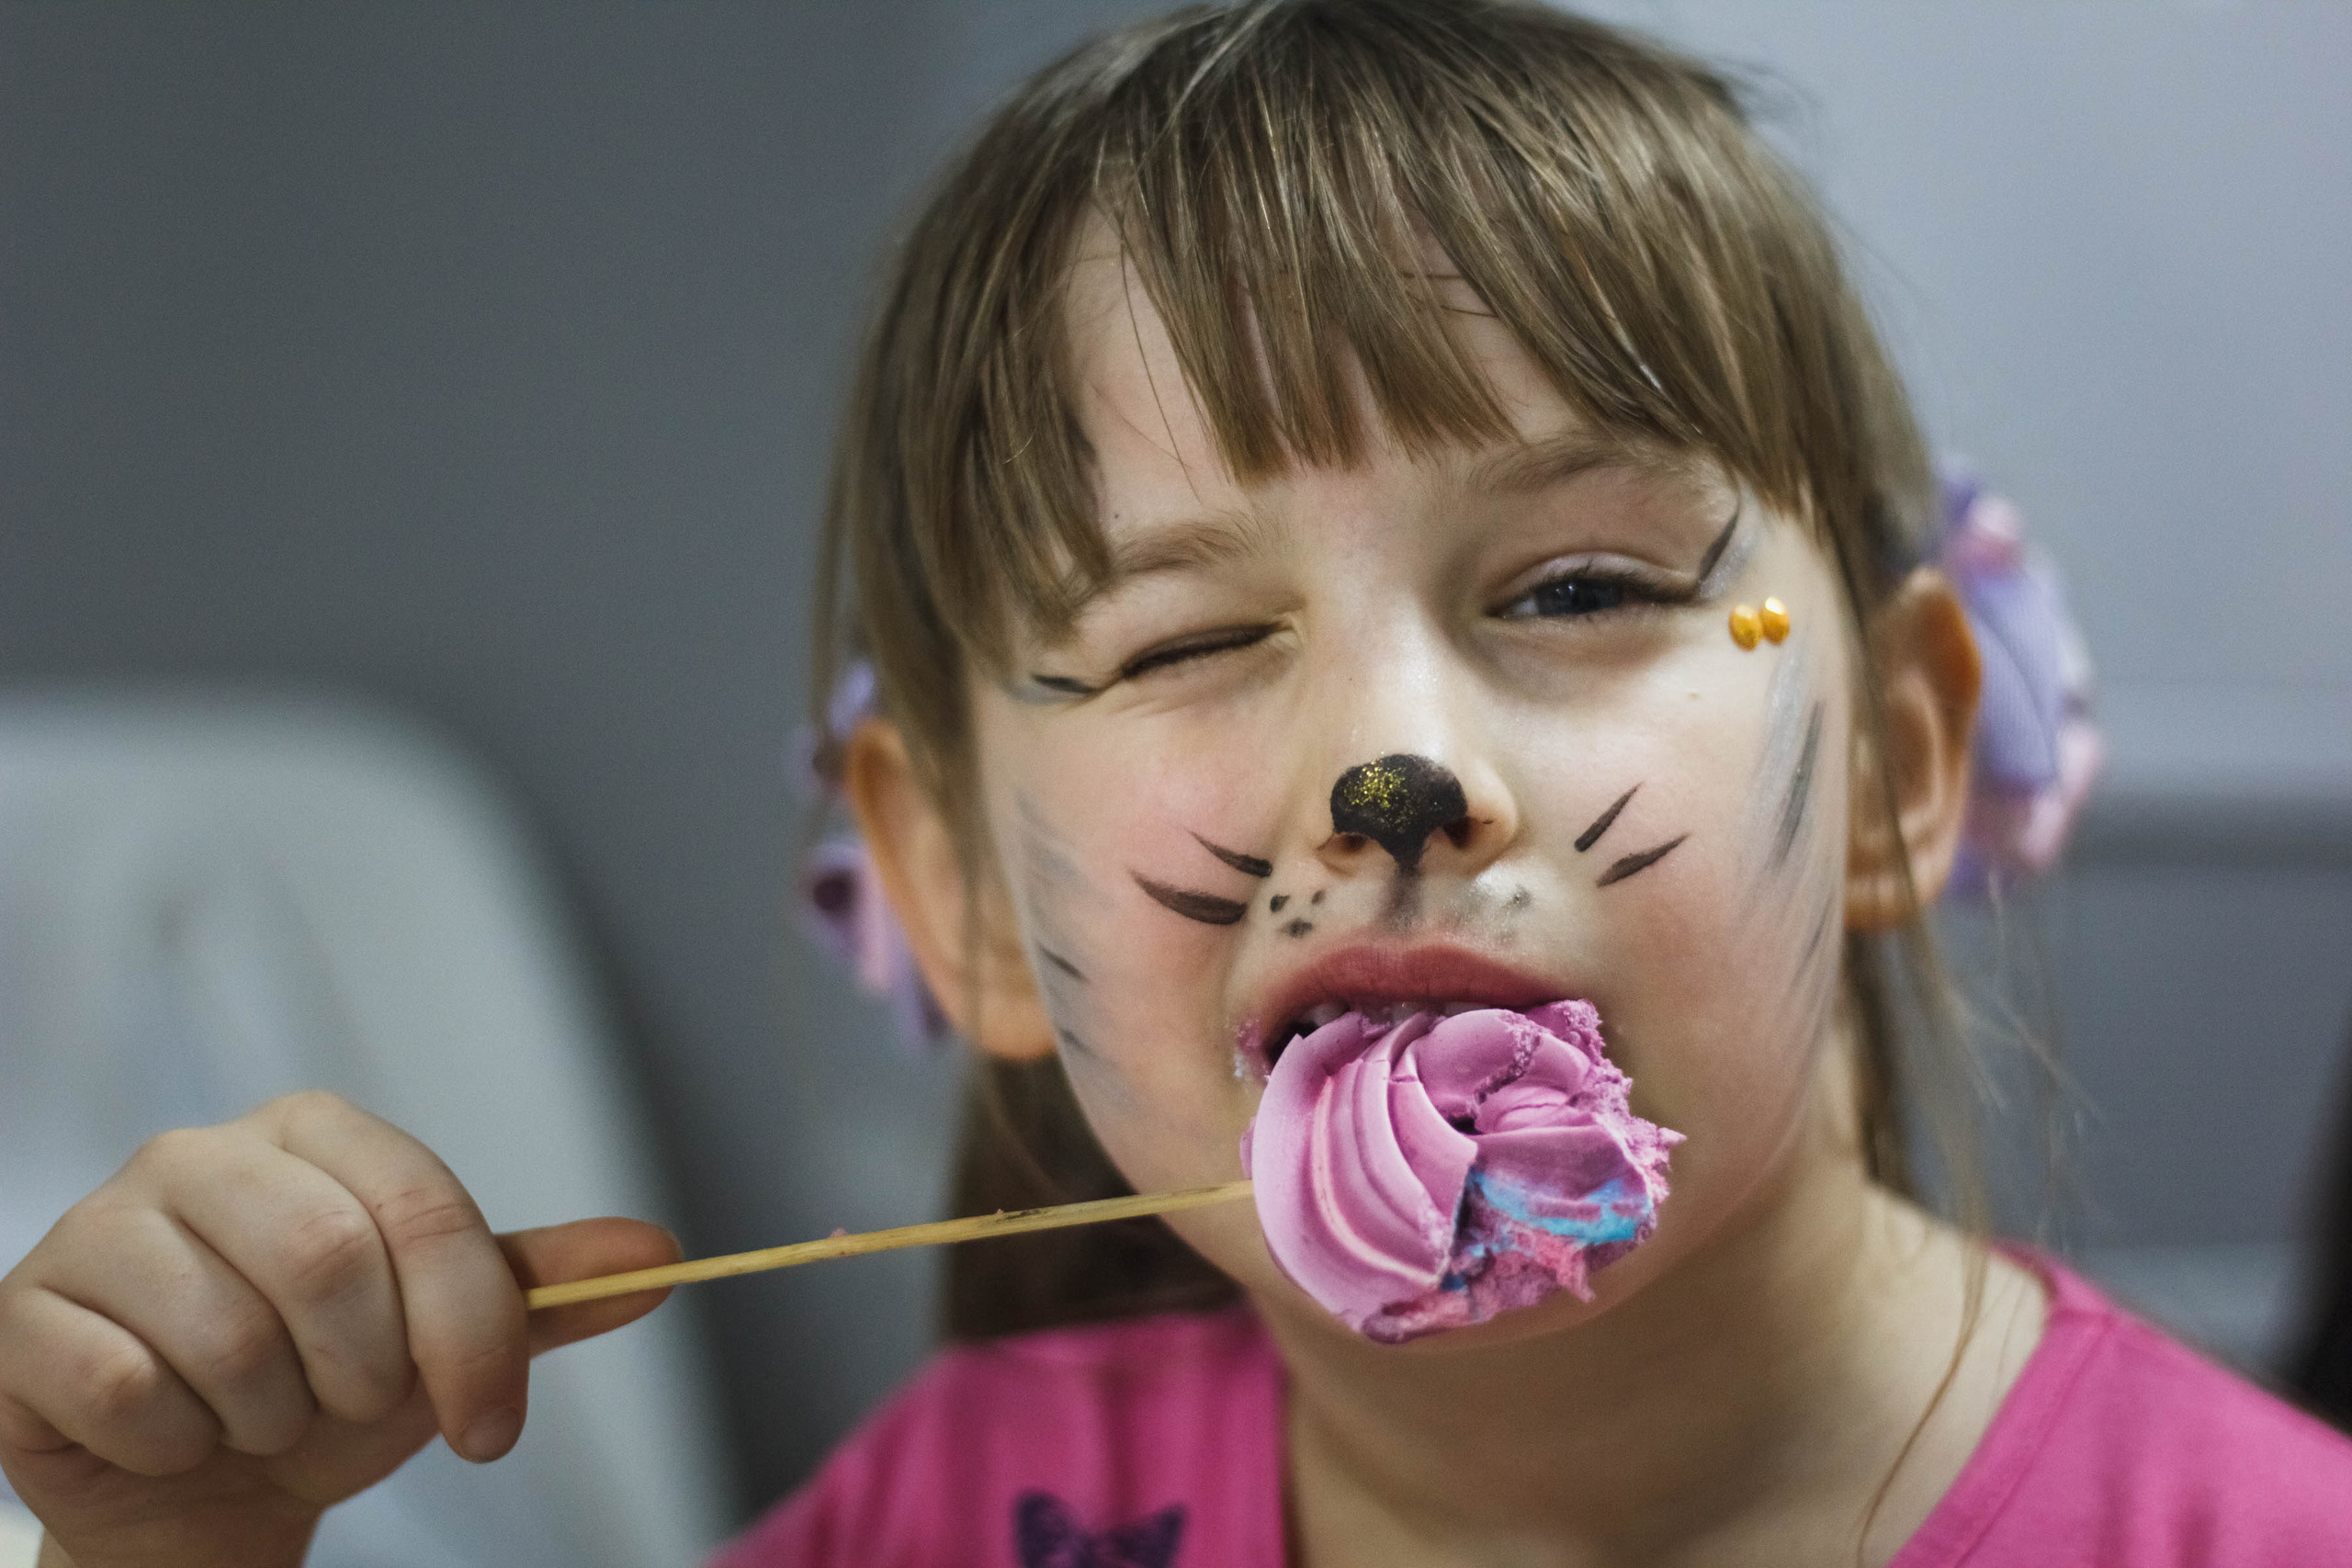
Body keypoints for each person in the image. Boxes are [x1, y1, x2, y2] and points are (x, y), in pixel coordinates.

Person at [5, 4, 2347, 1564]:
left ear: (1903, 758)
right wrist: (180, 1552)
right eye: (1190, 639)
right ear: (947, 888)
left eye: (1575, 587)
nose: (1392, 773)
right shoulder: (949, 1519)